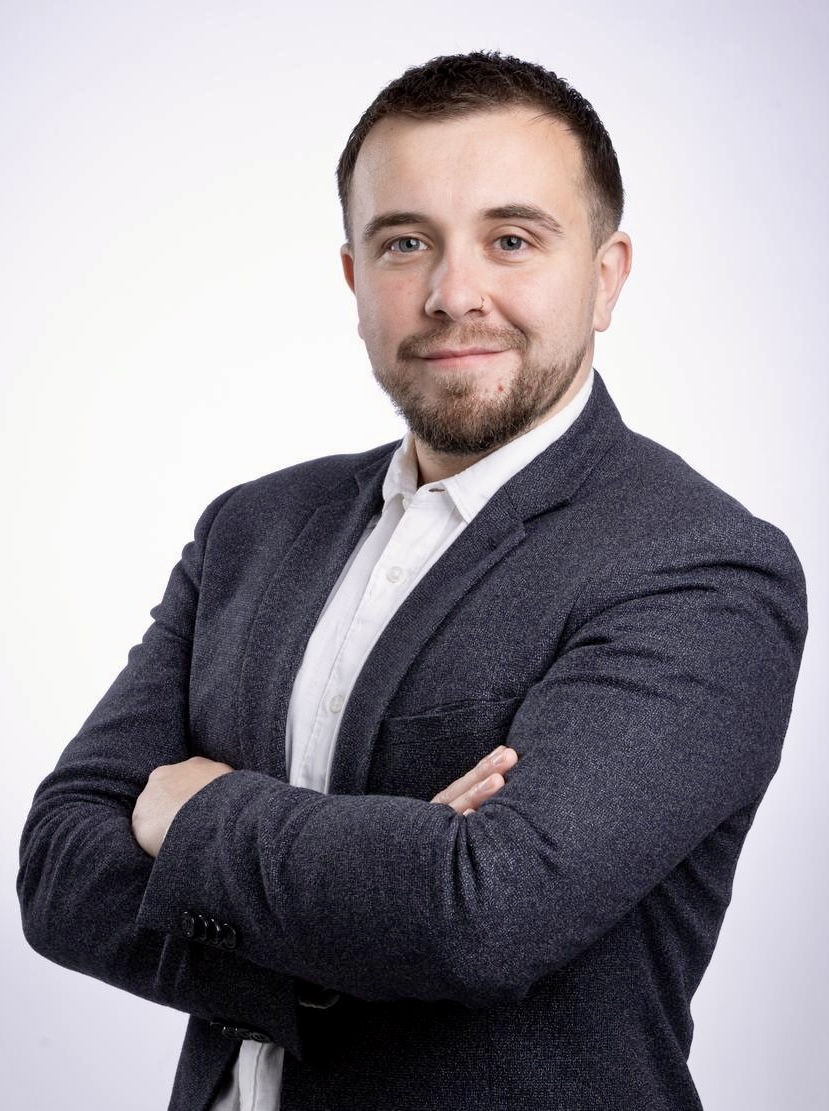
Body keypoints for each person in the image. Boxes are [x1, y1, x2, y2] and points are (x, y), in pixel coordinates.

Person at [18, 51, 807, 1111]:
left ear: (606, 275)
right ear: (354, 279)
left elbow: (483, 915)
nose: (451, 295)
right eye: (405, 243)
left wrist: (194, 814)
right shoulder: (252, 527)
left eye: (511, 240)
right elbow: (58, 865)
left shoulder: (697, 565)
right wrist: (351, 933)